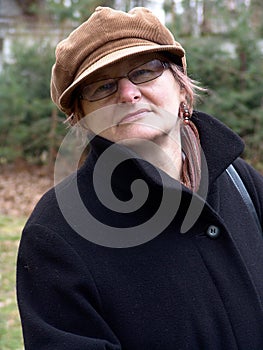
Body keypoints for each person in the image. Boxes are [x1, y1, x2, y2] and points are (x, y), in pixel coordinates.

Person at [17, 6, 263, 350]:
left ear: (181, 87)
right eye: (102, 87)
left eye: (145, 71)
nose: (128, 93)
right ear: (84, 119)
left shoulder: (241, 180)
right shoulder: (57, 233)